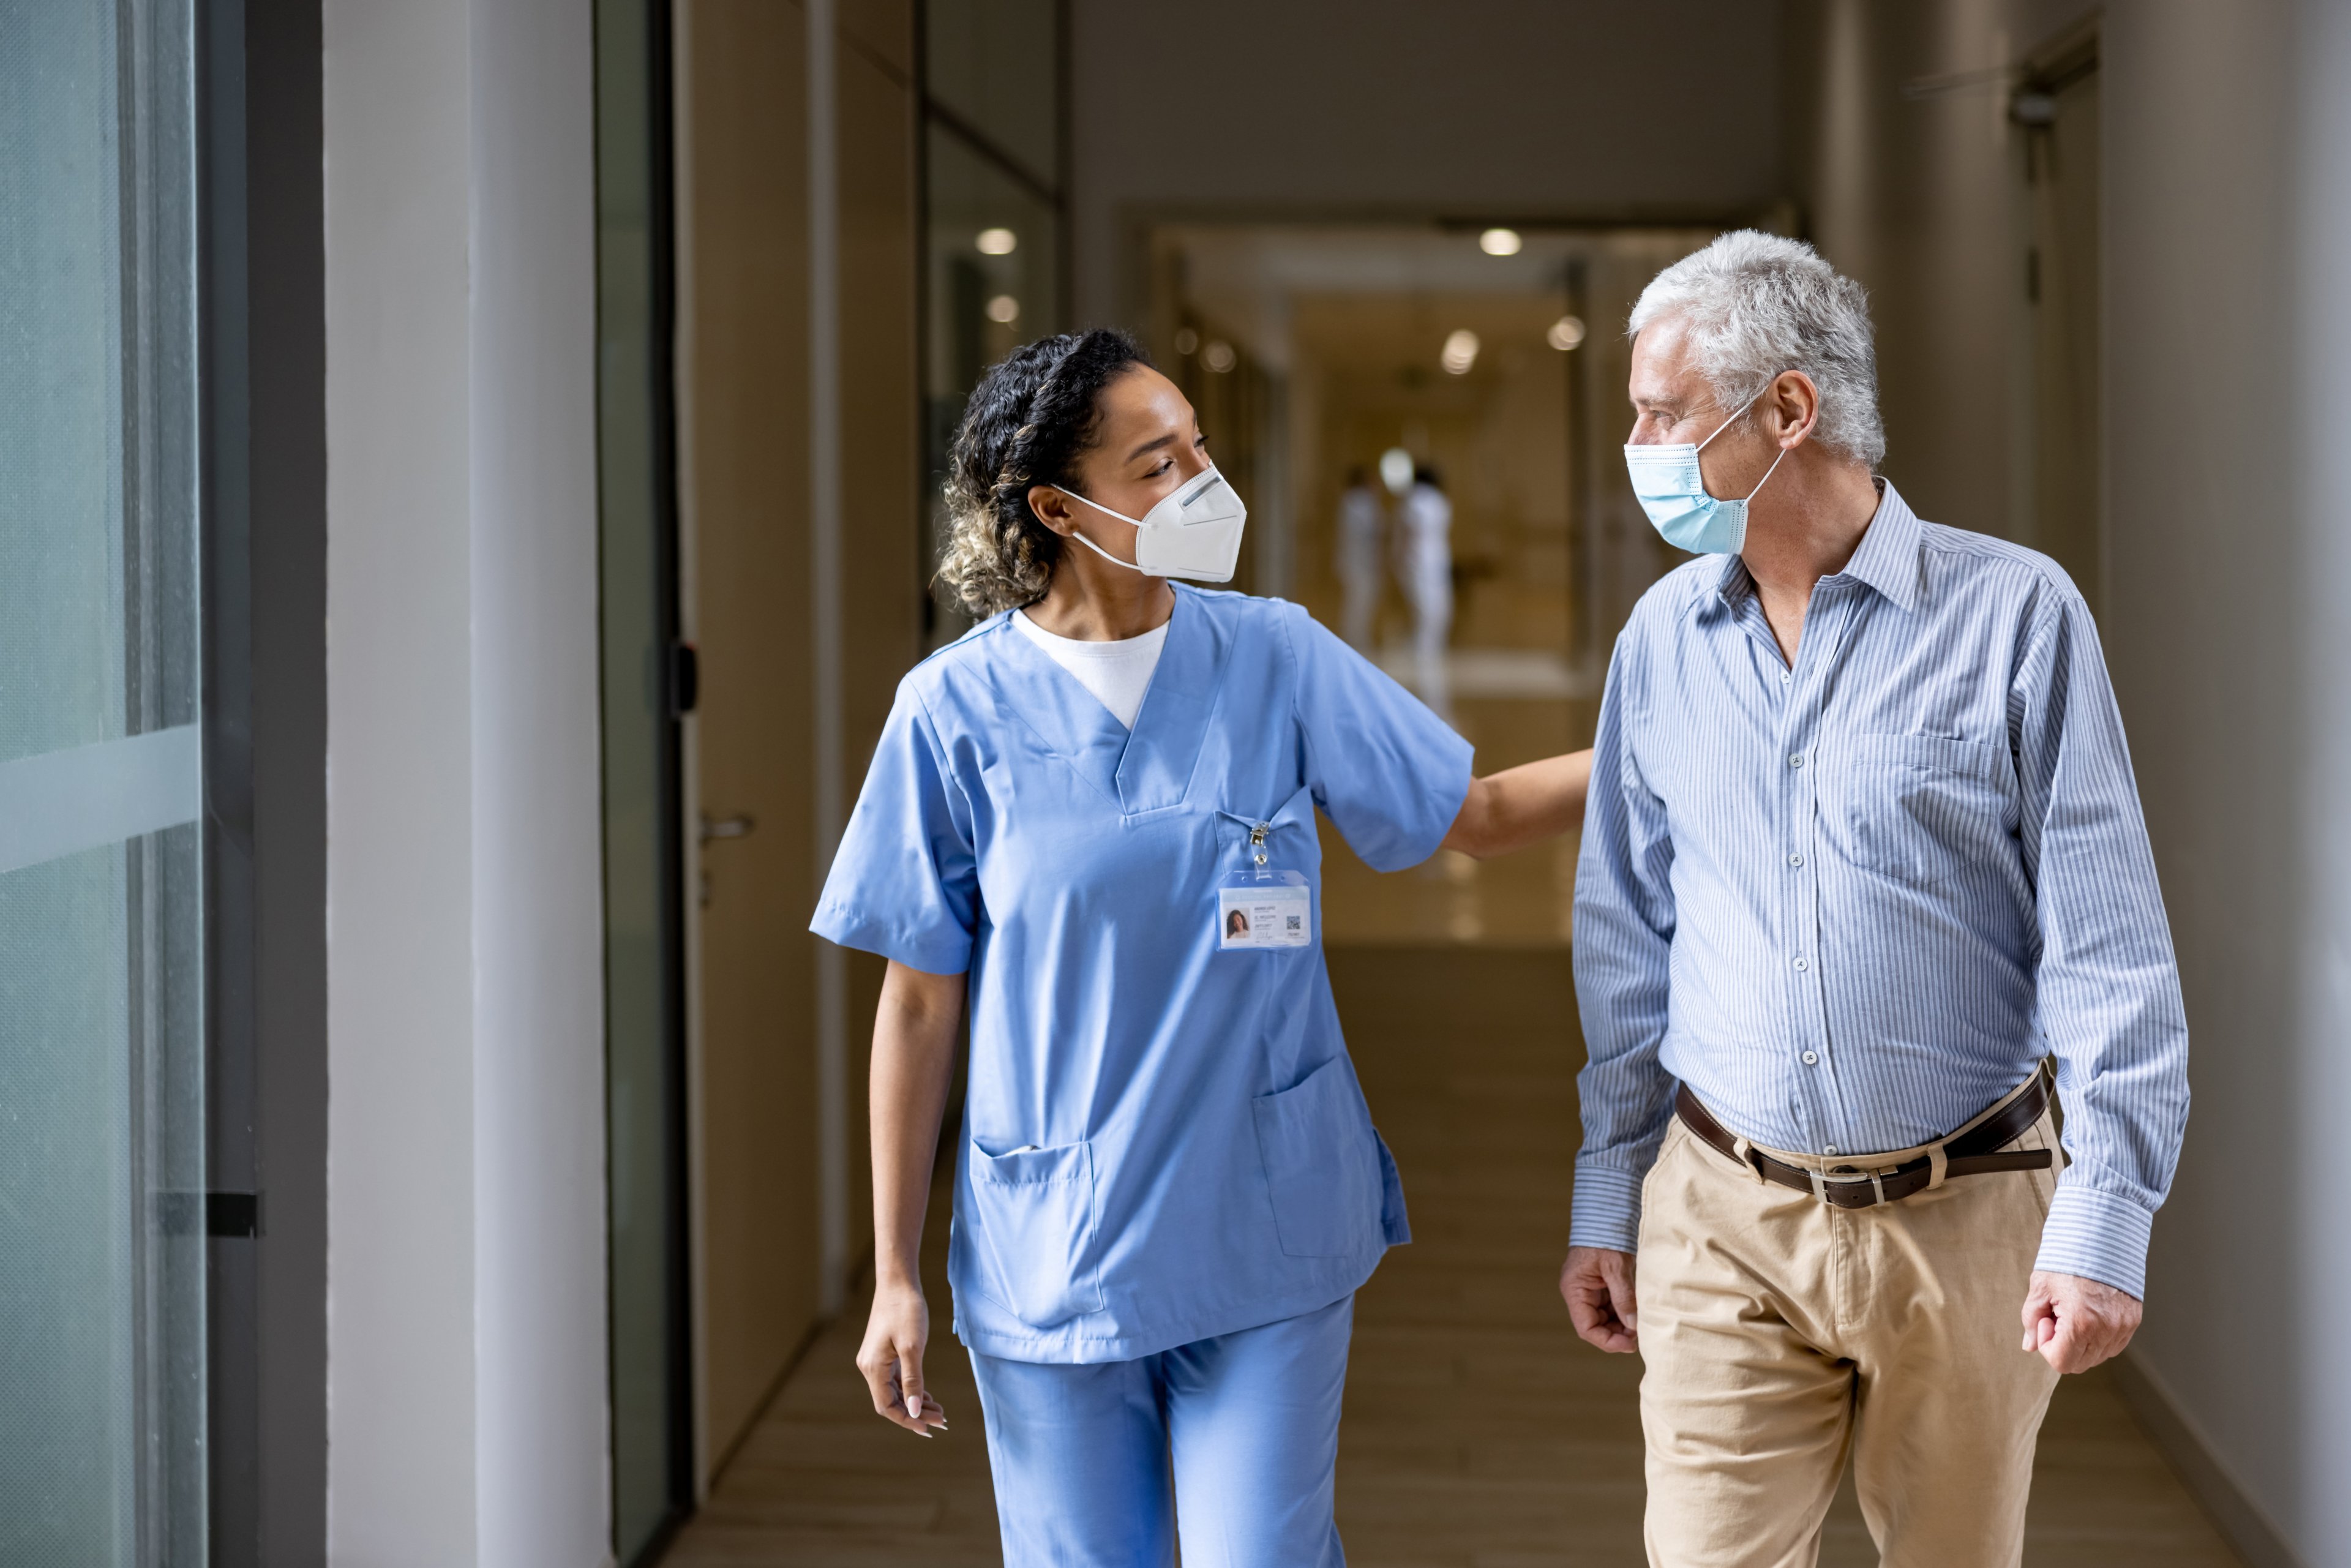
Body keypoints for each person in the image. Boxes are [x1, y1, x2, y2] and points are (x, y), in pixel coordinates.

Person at [813, 329, 1593, 1566]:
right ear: (1058, 506)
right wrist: (894, 1272)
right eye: (1156, 462)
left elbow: (1477, 814)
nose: (1199, 483)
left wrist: (1678, 739)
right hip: (1058, 1244)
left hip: (1267, 1218)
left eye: (1198, 447)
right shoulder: (953, 713)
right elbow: (917, 1002)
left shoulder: (1272, 654)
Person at [1559, 231, 2191, 1567]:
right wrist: (1606, 1189)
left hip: (1968, 1223)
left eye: (1663, 411)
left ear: (1788, 410)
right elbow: (1626, 932)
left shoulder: (2018, 616)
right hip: (1721, 1209)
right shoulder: (1663, 640)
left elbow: (2111, 950)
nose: (1638, 440)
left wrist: (2106, 1221)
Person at [1398, 465, 1453, 718]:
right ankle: (1425, 656)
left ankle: (1426, 654)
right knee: (1434, 610)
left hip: (1423, 562)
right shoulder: (1431, 501)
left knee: (1429, 611)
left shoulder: (1417, 500)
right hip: (1428, 562)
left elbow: (1410, 534)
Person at [1335, 465, 1385, 653]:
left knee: (1363, 602)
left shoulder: (1364, 502)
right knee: (1357, 602)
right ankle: (1353, 639)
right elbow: (1367, 530)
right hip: (1357, 562)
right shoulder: (1356, 502)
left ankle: (1358, 637)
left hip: (1365, 561)